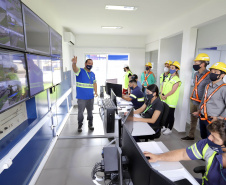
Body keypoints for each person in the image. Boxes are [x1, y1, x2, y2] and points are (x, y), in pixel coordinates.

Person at [144, 119, 226, 185]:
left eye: (214, 137)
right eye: (211, 134)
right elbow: (183, 154)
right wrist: (158, 157)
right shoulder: (207, 144)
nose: (209, 138)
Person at [181, 53, 211, 141]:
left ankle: (207, 140)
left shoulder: (209, 76)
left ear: (202, 64)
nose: (194, 64)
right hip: (193, 100)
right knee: (193, 119)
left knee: (204, 122)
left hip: (202, 103)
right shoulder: (196, 74)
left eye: (196, 62)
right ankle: (191, 135)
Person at [193, 62, 226, 139]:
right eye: (212, 71)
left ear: (222, 75)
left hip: (214, 120)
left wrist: (220, 118)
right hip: (203, 117)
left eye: (216, 72)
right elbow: (204, 100)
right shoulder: (208, 86)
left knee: (212, 140)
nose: (212, 73)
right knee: (204, 137)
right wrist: (199, 111)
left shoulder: (224, 88)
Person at [71, 56, 98, 132]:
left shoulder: (92, 74)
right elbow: (75, 69)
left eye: (91, 64)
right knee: (80, 113)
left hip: (90, 97)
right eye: (89, 63)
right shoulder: (80, 71)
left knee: (90, 112)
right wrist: (74, 63)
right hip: (82, 98)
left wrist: (96, 91)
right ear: (85, 63)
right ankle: (80, 125)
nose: (90, 65)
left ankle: (90, 124)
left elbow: (94, 83)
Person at [161, 61, 181, 135]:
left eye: (172, 68)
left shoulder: (177, 80)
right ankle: (164, 126)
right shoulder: (168, 77)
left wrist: (165, 96)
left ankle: (169, 128)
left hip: (171, 100)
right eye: (170, 67)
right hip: (164, 99)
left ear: (176, 69)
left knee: (170, 115)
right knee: (165, 114)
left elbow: (173, 91)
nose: (171, 69)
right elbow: (162, 86)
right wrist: (161, 94)